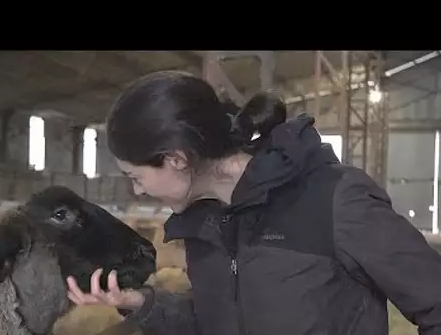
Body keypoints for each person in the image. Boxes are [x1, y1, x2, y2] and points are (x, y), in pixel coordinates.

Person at [65, 70, 441, 335]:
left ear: (176, 159)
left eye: (136, 177)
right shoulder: (205, 224)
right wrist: (139, 302)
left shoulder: (336, 200)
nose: (139, 191)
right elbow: (216, 320)